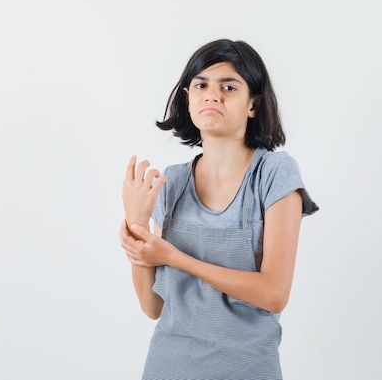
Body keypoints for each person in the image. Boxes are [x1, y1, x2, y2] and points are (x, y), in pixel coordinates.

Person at [120, 38, 319, 380]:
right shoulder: (172, 181)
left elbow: (273, 294)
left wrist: (172, 257)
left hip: (246, 369)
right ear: (188, 98)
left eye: (228, 86)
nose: (212, 95)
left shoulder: (274, 174)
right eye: (201, 85)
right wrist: (137, 226)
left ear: (253, 105)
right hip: (167, 366)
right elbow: (153, 308)